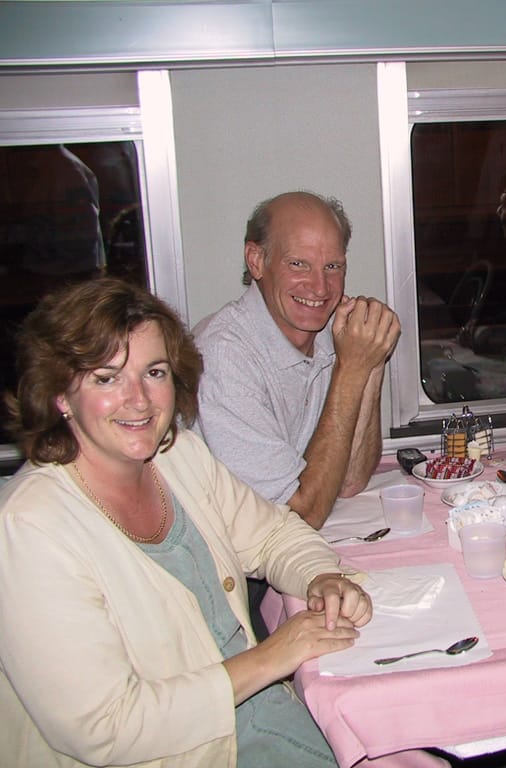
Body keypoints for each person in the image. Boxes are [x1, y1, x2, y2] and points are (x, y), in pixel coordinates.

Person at [0, 278, 370, 767]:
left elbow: (274, 533)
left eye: (153, 372)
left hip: (257, 715)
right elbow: (106, 729)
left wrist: (320, 576)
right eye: (106, 378)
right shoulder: (31, 528)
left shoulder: (177, 457)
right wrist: (272, 656)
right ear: (60, 396)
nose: (139, 400)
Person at [194, 191, 401, 530]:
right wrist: (351, 370)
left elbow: (349, 481)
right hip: (231, 569)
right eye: (298, 264)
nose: (320, 287)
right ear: (256, 260)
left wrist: (371, 361)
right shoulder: (223, 356)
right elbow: (300, 516)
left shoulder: (330, 334)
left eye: (332, 266)